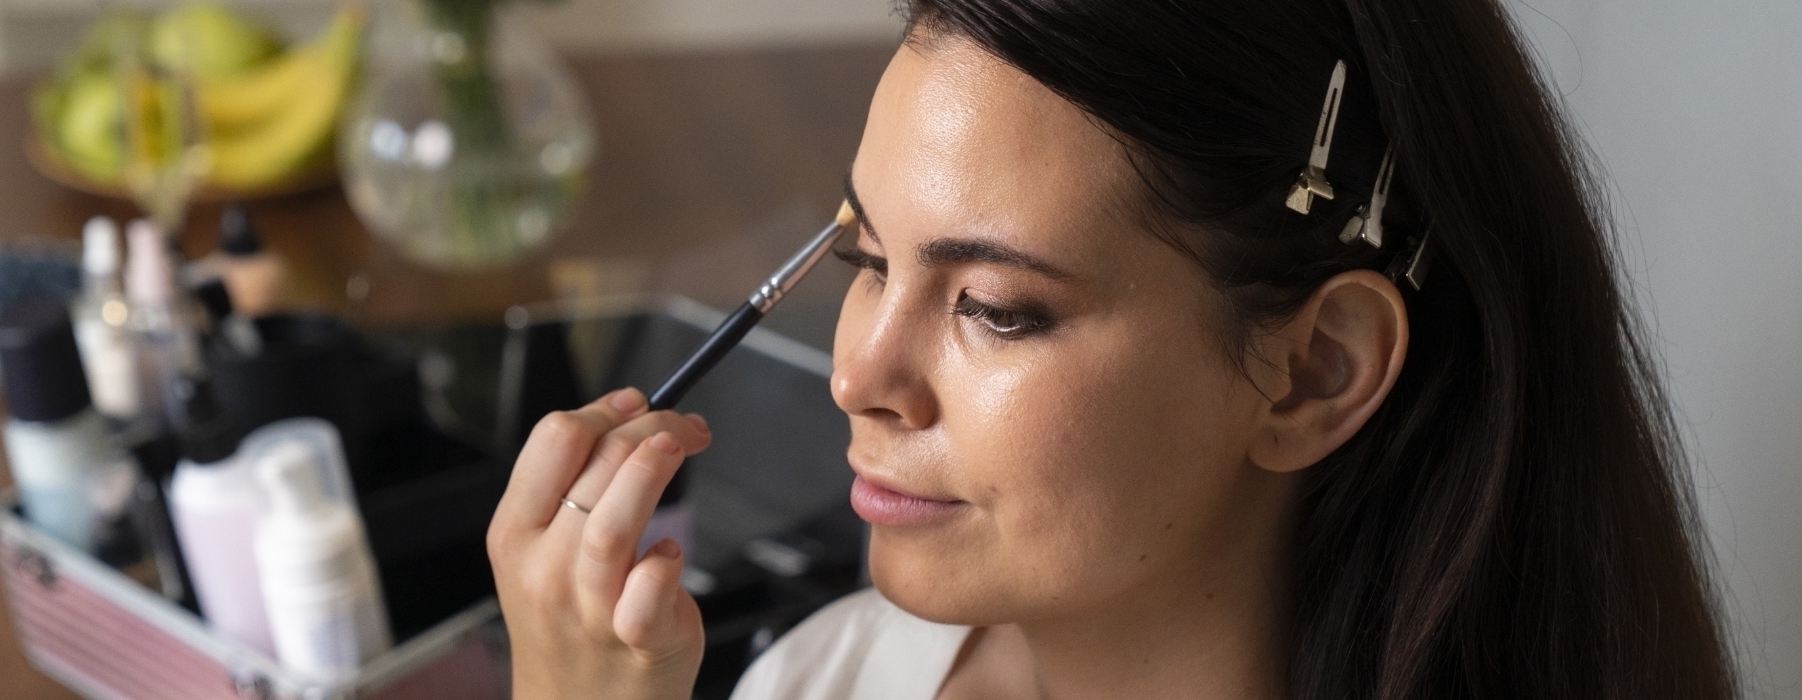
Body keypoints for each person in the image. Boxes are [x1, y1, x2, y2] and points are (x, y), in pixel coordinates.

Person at [484, 0, 1737, 697]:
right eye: (869, 259)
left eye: (995, 308)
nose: (859, 376)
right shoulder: (828, 676)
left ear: (1316, 372)